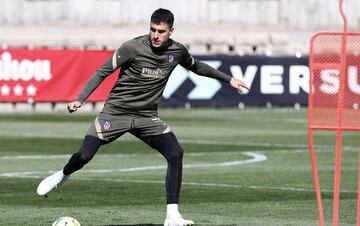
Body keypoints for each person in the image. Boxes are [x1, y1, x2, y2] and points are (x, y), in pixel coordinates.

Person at [37, 8, 249, 226]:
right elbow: (102, 71)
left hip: (146, 116)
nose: (155, 35)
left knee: (175, 153)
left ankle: (172, 216)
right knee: (84, 156)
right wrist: (80, 99)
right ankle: (62, 174)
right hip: (116, 112)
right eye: (152, 29)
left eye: (161, 31)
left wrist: (228, 79)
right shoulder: (133, 47)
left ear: (171, 31)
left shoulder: (177, 51)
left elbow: (197, 67)